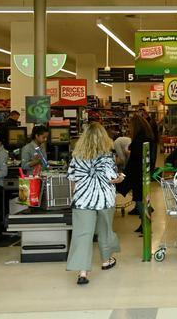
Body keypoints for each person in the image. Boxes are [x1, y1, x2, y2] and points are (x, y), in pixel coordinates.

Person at [66, 122, 124, 285]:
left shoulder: (76, 156)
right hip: (104, 199)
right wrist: (121, 178)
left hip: (83, 200)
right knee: (105, 230)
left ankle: (82, 272)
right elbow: (112, 177)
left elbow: (72, 179)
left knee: (82, 235)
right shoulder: (107, 156)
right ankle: (106, 261)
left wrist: (76, 196)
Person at [125, 115, 155, 235]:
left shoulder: (139, 138)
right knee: (142, 198)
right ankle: (144, 223)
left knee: (139, 200)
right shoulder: (148, 135)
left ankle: (146, 225)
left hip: (139, 173)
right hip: (145, 172)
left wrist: (129, 151)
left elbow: (136, 155)